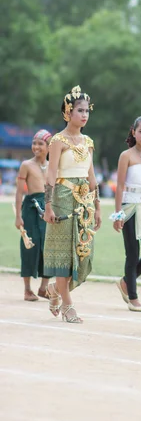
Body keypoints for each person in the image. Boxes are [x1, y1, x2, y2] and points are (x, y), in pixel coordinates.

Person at [43, 85, 102, 323]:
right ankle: (68, 306)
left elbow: (92, 175)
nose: (84, 115)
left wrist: (97, 206)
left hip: (85, 202)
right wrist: (48, 206)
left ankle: (55, 291)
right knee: (64, 257)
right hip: (63, 199)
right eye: (80, 110)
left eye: (87, 110)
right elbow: (51, 174)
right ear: (68, 112)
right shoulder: (57, 140)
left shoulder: (88, 141)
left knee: (83, 253)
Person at [111, 116, 141, 312]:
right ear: (134, 132)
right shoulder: (126, 156)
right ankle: (133, 297)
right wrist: (117, 214)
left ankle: (125, 282)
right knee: (132, 254)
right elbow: (120, 185)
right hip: (129, 207)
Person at [14, 129, 52, 301]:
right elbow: (19, 192)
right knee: (30, 246)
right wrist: (18, 216)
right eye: (34, 143)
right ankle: (27, 289)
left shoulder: (53, 166)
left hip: (48, 208)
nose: (36, 147)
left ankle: (44, 288)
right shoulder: (26, 165)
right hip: (30, 208)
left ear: (48, 147)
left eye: (40, 144)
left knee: (49, 247)